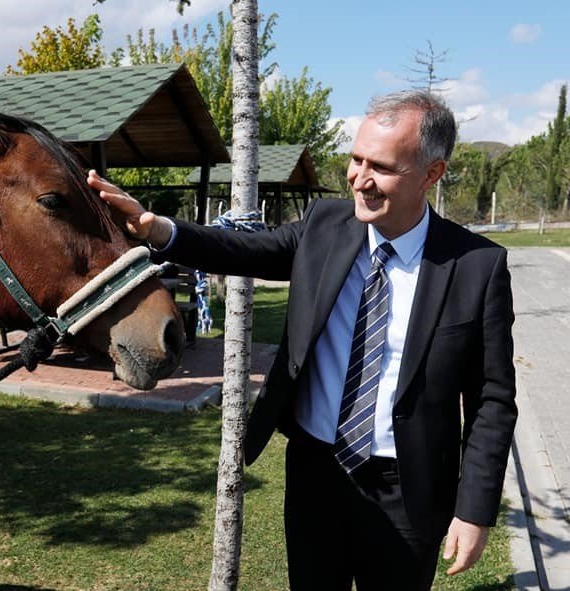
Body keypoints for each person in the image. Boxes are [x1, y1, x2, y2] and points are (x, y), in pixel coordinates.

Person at [87, 89, 517, 591]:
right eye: (355, 159)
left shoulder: (477, 267)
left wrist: (475, 510)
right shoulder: (324, 226)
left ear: (431, 174)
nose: (359, 178)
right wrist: (159, 229)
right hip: (316, 475)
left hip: (410, 492)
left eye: (380, 166)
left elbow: (492, 399)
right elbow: (241, 248)